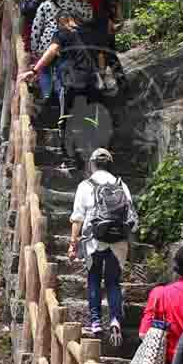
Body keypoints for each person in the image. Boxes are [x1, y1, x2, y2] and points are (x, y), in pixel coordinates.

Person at [67, 147, 136, 348]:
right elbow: (131, 216)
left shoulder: (85, 185)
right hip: (118, 241)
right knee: (113, 282)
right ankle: (115, 319)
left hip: (93, 241)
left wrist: (73, 245)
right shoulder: (121, 185)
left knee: (94, 279)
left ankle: (96, 322)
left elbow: (77, 219)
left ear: (92, 164)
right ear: (110, 164)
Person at [30, 0, 68, 105]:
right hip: (65, 44)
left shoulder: (44, 6)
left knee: (44, 70)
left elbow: (36, 29)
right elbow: (86, 15)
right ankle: (61, 101)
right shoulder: (70, 4)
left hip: (46, 44)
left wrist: (34, 49)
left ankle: (47, 97)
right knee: (60, 72)